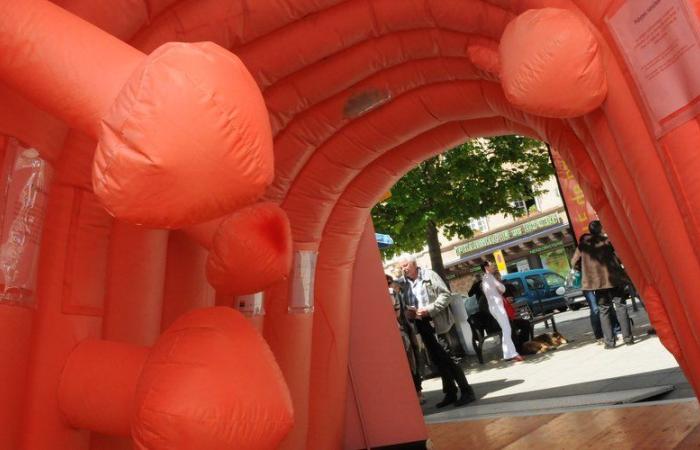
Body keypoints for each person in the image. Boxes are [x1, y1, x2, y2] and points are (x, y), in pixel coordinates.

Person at [397, 254, 476, 408]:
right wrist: (409, 312)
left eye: (405, 265)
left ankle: (467, 391)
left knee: (448, 357)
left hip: (437, 322)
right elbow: (405, 303)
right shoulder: (403, 284)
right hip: (421, 325)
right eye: (401, 267)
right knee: (437, 359)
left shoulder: (429, 275)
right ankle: (450, 392)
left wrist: (429, 310)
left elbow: (446, 295)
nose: (403, 269)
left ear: (414, 263)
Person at [571, 220, 633, 349]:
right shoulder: (607, 241)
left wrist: (584, 269)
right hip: (613, 279)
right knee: (620, 306)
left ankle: (609, 342)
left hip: (597, 283)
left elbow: (574, 261)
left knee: (603, 310)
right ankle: (628, 338)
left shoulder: (583, 245)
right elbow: (620, 257)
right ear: (600, 229)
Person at [386, 274, 424, 402]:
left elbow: (397, 313)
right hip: (405, 331)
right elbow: (399, 312)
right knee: (412, 361)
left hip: (402, 332)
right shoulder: (394, 293)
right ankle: (418, 393)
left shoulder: (391, 293)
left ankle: (416, 393)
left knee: (409, 362)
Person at [480, 261, 524, 362]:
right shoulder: (489, 277)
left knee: (506, 329)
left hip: (494, 307)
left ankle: (508, 353)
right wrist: (499, 287)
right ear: (486, 267)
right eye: (492, 265)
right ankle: (512, 353)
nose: (494, 266)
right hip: (498, 307)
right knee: (507, 329)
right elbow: (503, 288)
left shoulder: (485, 279)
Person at [495, 271, 532, 353]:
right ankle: (518, 349)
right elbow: (494, 307)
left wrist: (508, 301)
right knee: (511, 327)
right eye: (497, 278)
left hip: (509, 317)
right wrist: (504, 301)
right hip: (499, 321)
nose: (499, 280)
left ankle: (523, 345)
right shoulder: (492, 291)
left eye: (499, 278)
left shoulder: (502, 288)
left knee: (526, 324)